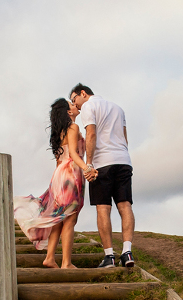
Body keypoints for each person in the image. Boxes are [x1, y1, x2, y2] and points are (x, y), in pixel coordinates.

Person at [14, 98, 88, 268]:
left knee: (59, 218)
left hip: (59, 174)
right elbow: (74, 156)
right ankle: (66, 263)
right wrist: (87, 168)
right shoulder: (73, 128)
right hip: (71, 172)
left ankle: (50, 258)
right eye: (71, 105)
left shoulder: (59, 132)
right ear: (68, 112)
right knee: (69, 218)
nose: (75, 106)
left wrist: (55, 184)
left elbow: (58, 161)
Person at [70, 83, 135, 268]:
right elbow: (125, 138)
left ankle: (109, 256)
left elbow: (91, 134)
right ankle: (127, 252)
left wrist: (89, 164)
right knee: (125, 205)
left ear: (83, 93)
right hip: (123, 160)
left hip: (102, 163)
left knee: (103, 208)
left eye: (75, 100)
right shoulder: (118, 108)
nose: (77, 106)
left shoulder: (89, 106)